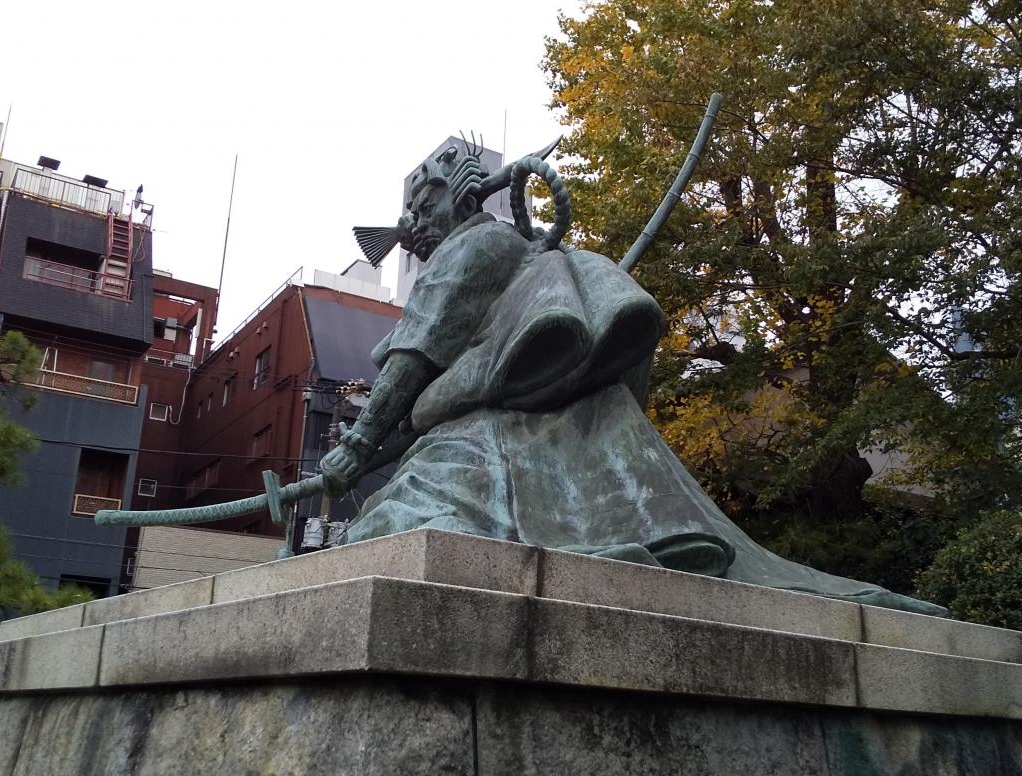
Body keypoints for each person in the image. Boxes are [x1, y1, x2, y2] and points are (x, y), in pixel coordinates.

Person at [322, 141, 945, 616]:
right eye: (409, 212)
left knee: (396, 525)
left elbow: (413, 358)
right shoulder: (504, 251)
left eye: (423, 206)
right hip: (527, 427)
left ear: (461, 197)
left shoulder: (471, 250)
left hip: (499, 440)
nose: (413, 224)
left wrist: (354, 448)